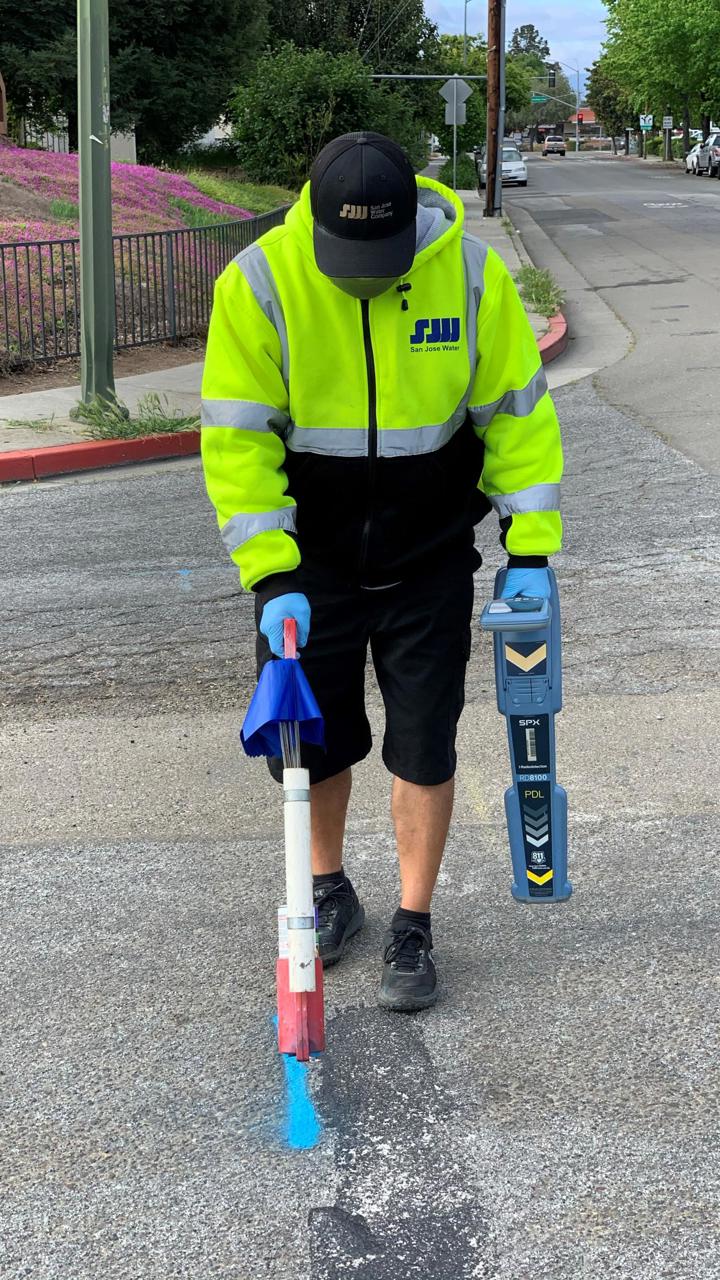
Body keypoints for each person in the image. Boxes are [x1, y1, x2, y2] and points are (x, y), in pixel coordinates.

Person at [201, 131, 562, 1011]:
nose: (364, 272)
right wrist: (270, 572)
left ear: (414, 224)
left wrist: (531, 550)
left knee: (423, 740)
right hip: (310, 567)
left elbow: (517, 411)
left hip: (429, 555)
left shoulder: (469, 277)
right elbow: (239, 440)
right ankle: (329, 888)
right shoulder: (258, 280)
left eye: (382, 254)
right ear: (313, 220)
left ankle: (413, 919)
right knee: (310, 743)